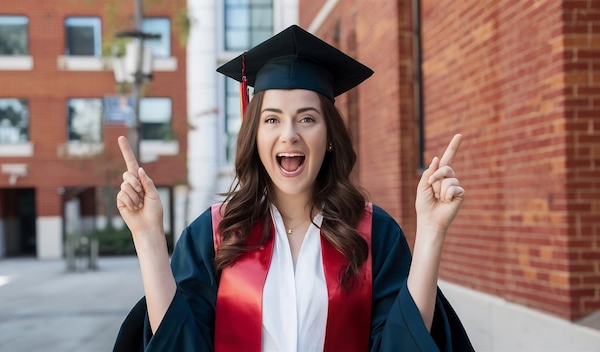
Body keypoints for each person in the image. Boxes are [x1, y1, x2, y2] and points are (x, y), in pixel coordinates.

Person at [113, 25, 474, 351]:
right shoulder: (213, 235)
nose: (290, 134)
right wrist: (147, 237)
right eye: (272, 119)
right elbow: (179, 343)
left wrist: (431, 230)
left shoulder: (374, 234)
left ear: (329, 137)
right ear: (255, 135)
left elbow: (403, 343)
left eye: (307, 118)